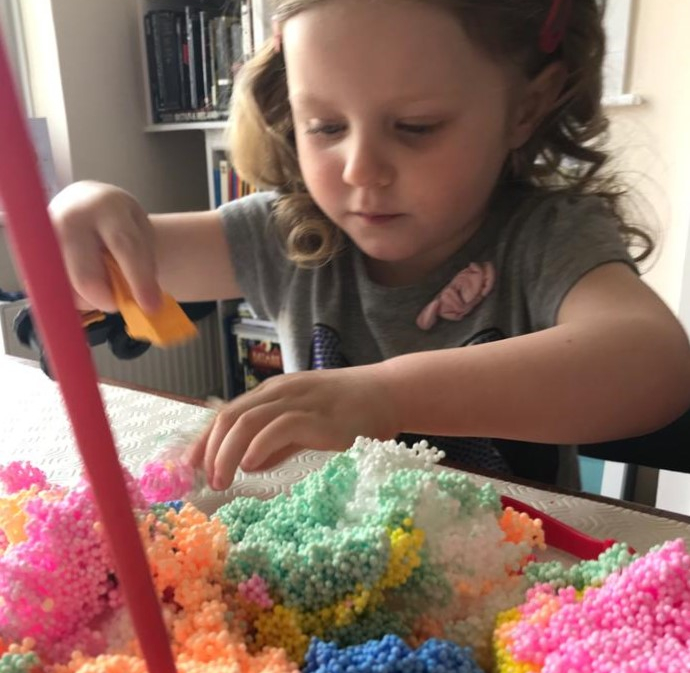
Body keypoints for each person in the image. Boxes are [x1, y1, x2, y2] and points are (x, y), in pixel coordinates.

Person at [49, 0, 690, 492]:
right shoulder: (292, 234)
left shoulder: (546, 239)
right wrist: (84, 216)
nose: (360, 169)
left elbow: (653, 362)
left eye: (415, 127)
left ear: (526, 108)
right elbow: (112, 266)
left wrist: (387, 396)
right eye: (325, 126)